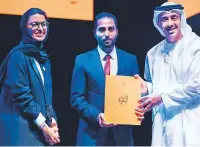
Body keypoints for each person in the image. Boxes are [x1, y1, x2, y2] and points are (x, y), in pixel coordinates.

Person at [135, 2, 200, 146]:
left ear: (181, 19)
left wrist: (162, 98)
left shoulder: (196, 46)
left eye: (174, 17)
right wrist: (147, 88)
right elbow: (161, 86)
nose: (169, 23)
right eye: (164, 19)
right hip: (163, 124)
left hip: (191, 123)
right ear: (158, 23)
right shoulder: (153, 53)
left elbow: (196, 87)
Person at [70, 12, 140, 146]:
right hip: (91, 134)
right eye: (102, 29)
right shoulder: (82, 60)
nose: (107, 33)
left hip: (122, 136)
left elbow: (136, 96)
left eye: (111, 29)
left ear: (117, 31)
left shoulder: (130, 60)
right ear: (94, 33)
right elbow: (76, 98)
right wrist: (97, 116)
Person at [0, 8, 60, 146]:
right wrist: (44, 126)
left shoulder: (43, 58)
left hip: (38, 129)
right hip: (21, 131)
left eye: (43, 24)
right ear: (24, 27)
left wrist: (53, 122)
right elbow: (22, 96)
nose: (40, 28)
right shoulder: (18, 56)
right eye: (34, 24)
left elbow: (47, 97)